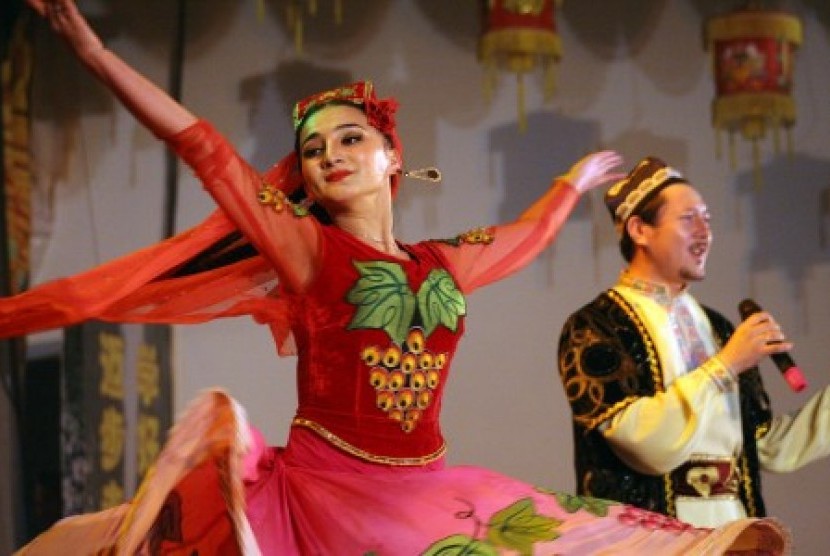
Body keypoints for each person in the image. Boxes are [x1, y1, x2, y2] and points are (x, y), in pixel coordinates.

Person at [9, 1, 791, 553]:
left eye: (350, 139)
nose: (331, 157)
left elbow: (524, 238)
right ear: (307, 181)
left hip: (424, 491)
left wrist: (572, 186)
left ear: (392, 155)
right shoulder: (309, 251)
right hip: (322, 496)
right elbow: (205, 150)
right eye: (315, 152)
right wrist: (95, 55)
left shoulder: (439, 265)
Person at [557, 156, 830, 530]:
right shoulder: (596, 325)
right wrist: (726, 365)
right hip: (647, 541)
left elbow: (765, 449)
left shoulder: (717, 326)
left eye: (708, 219)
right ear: (639, 229)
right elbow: (647, 444)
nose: (705, 232)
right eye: (689, 219)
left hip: (732, 533)